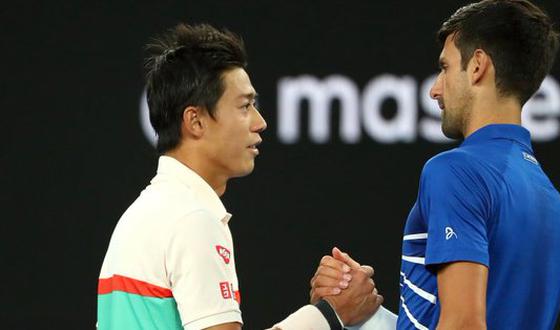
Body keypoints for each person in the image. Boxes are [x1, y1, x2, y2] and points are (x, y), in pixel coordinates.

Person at [97, 23, 381, 330]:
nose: (260, 122)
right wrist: (330, 314)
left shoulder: (146, 213)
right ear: (195, 121)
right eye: (245, 106)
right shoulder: (192, 218)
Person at [310, 0, 560, 329]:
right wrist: (365, 318)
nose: (435, 90)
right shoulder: (551, 199)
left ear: (477, 66)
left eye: (445, 68)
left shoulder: (455, 171)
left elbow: (463, 324)